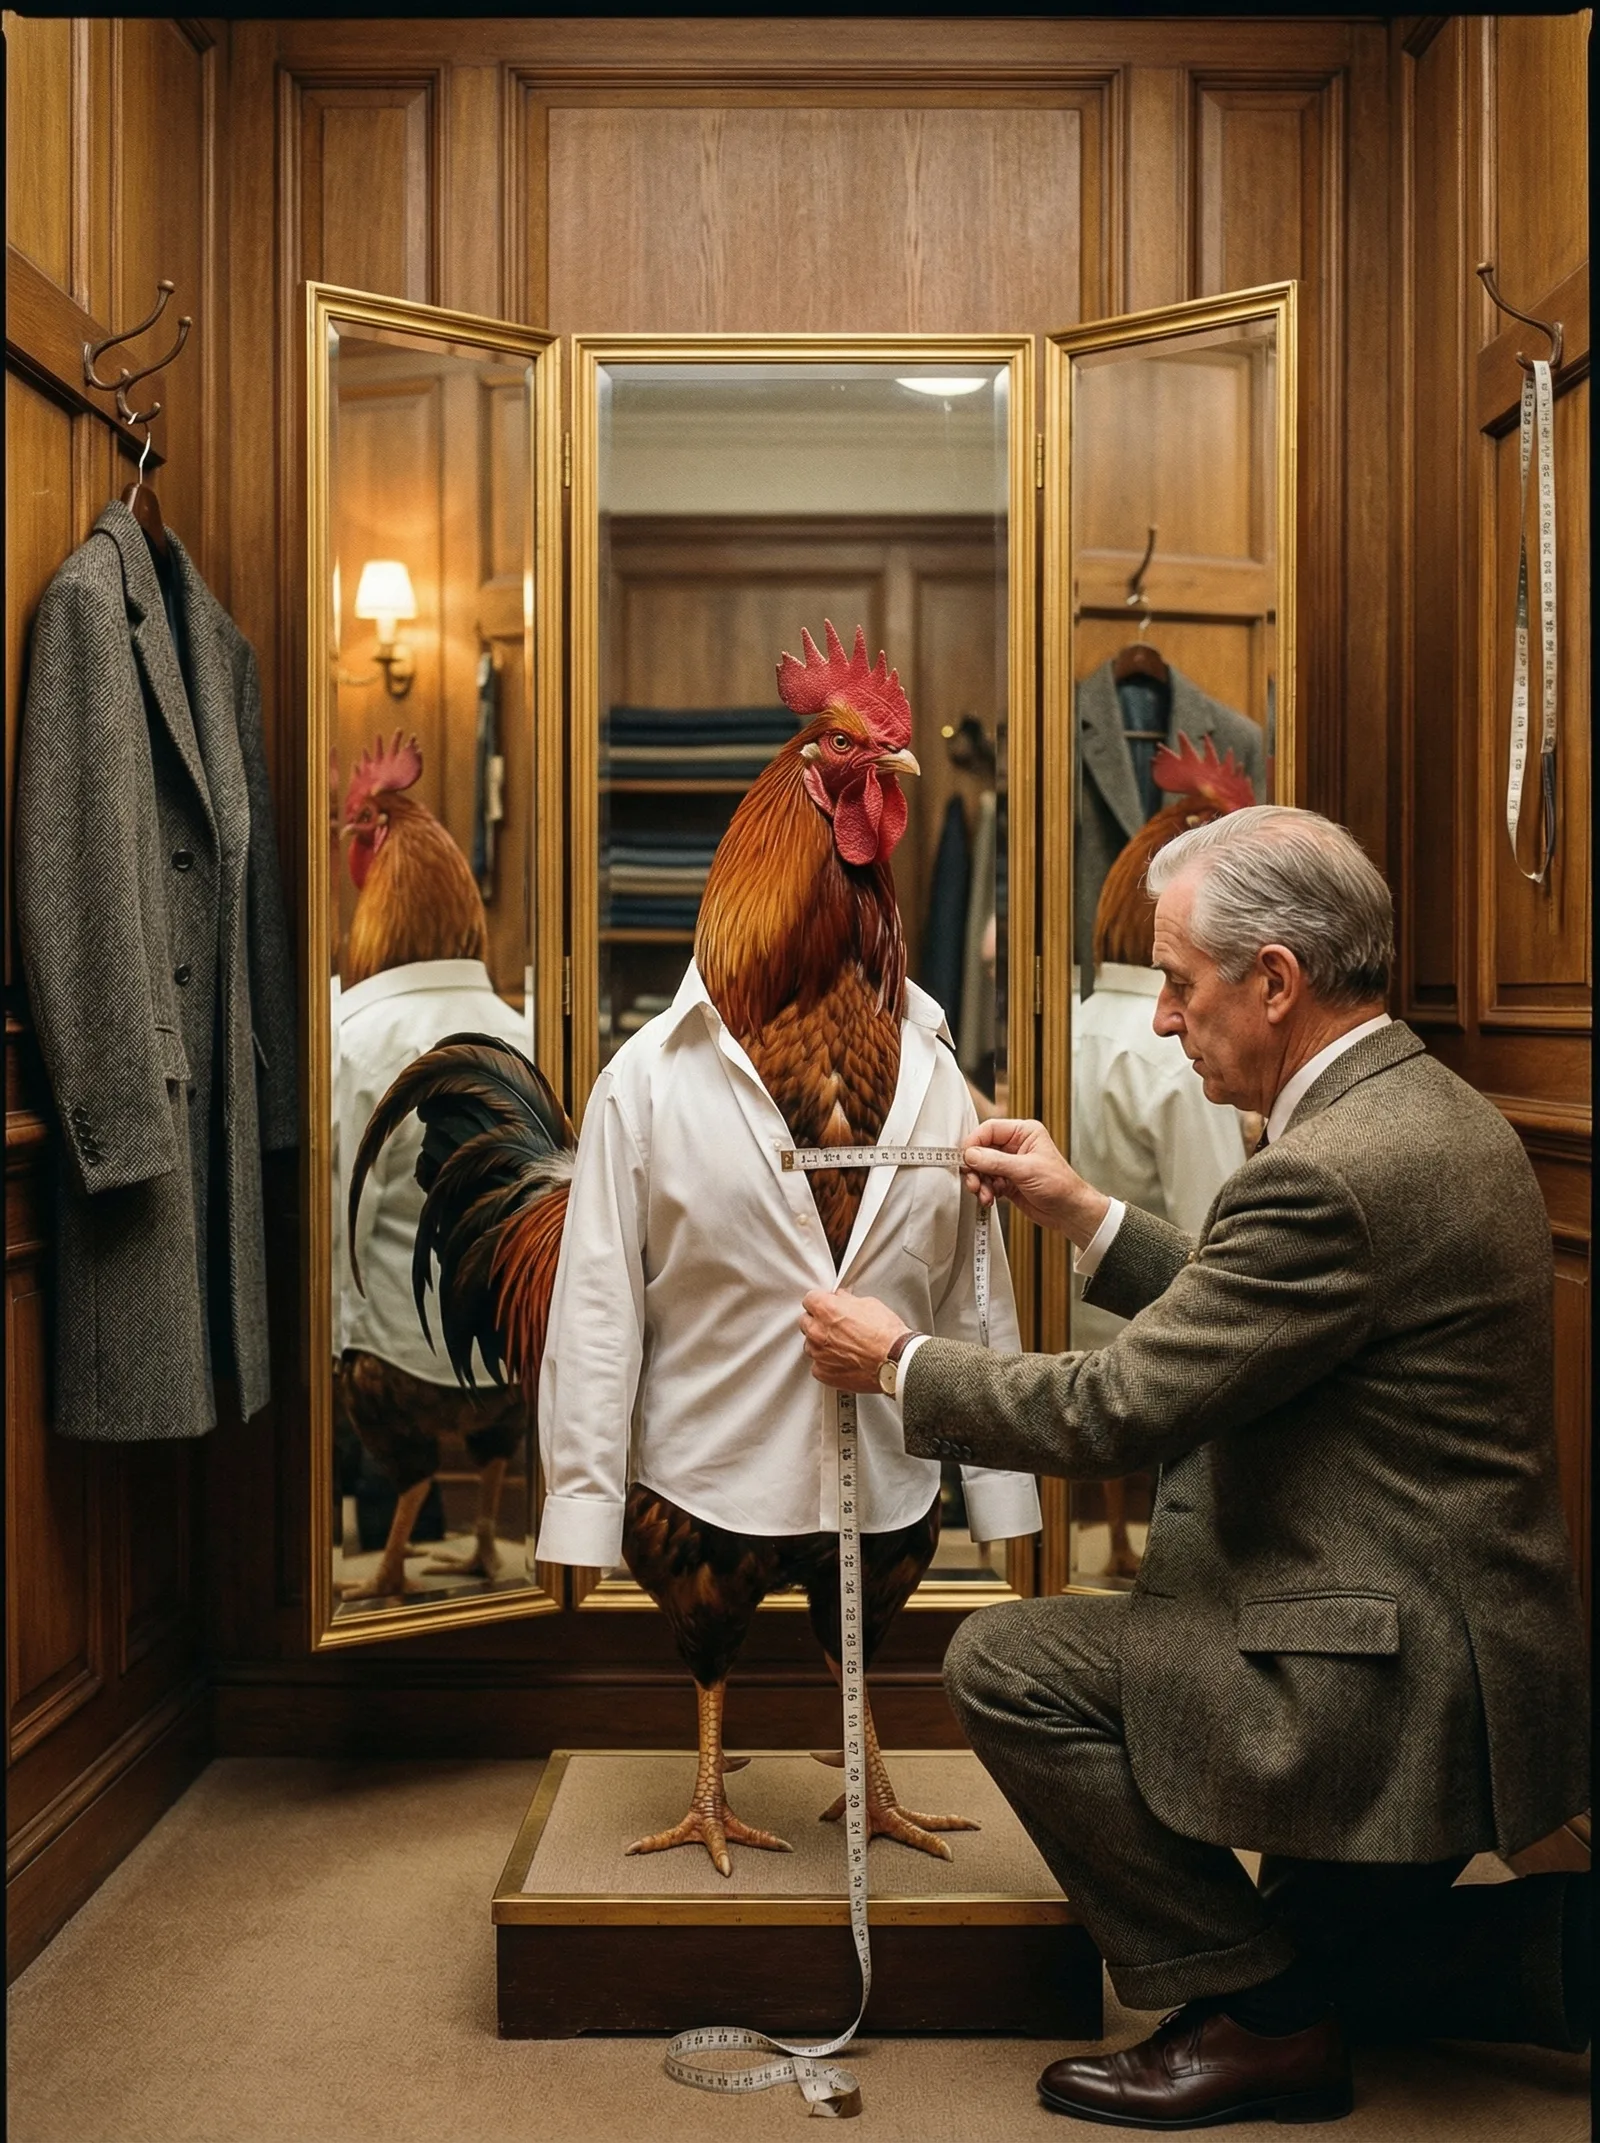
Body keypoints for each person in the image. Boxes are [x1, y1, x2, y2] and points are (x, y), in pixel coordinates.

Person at [799, 805, 1589, 2127]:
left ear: (1275, 981)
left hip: (1393, 1686)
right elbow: (1281, 1321)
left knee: (1005, 1664)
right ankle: (1547, 1957)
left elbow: (1120, 1407)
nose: (1161, 1018)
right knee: (1344, 1960)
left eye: (1178, 981)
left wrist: (901, 1366)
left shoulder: (1330, 1169)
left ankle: (1268, 2029)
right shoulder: (1419, 1104)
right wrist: (1082, 1212)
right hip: (1473, 1659)